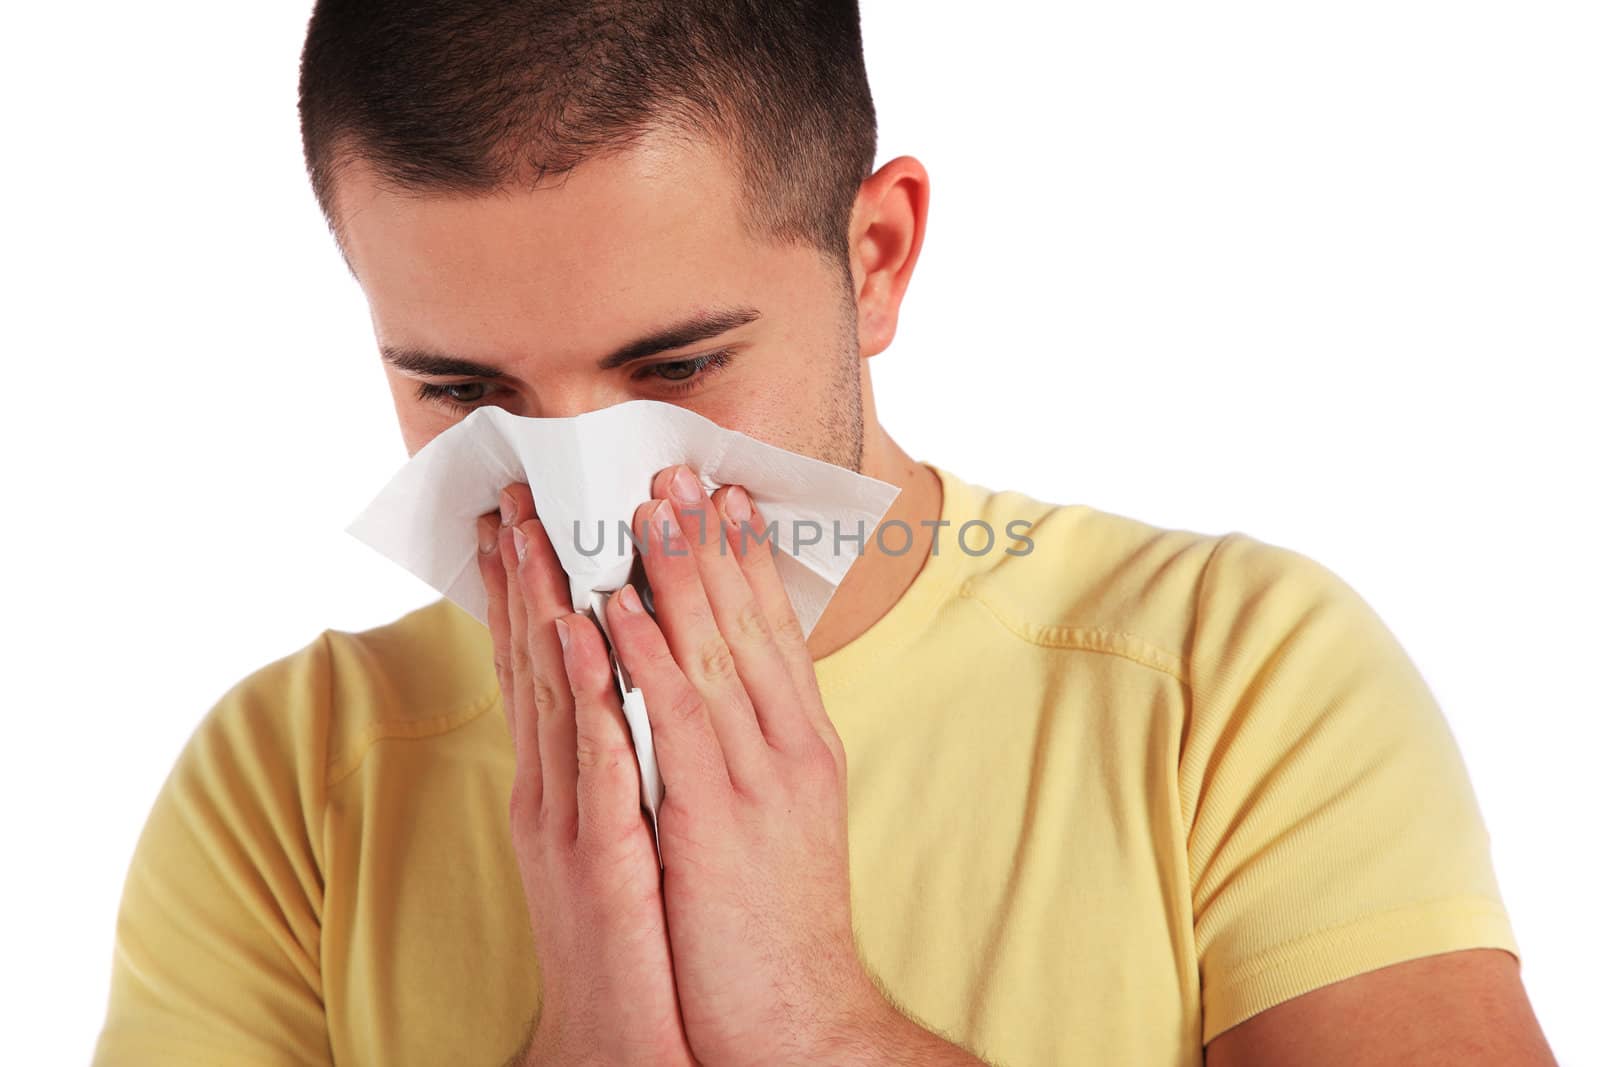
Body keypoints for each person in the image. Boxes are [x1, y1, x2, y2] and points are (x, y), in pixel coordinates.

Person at [93, 2, 1557, 1064]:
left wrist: (812, 1023)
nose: (581, 493)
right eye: (462, 389)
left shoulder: (1231, 681)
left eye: (675, 367)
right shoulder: (290, 779)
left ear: (877, 259)